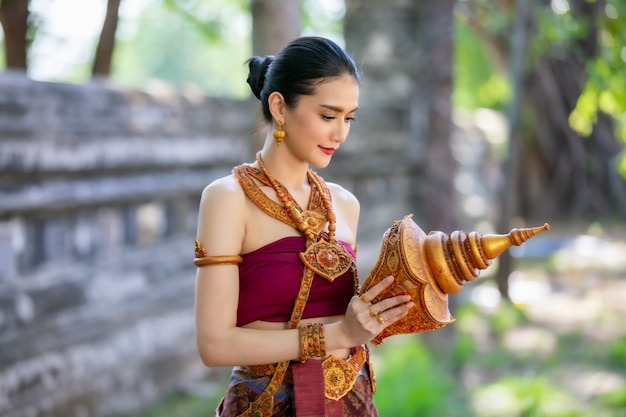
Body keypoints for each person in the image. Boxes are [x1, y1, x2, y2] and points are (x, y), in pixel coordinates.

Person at [193, 36, 414, 417]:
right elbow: (214, 345)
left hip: (349, 399)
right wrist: (336, 335)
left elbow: (348, 314)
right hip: (266, 404)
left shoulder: (344, 204)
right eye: (328, 116)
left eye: (349, 118)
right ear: (279, 106)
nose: (341, 134)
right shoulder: (228, 198)